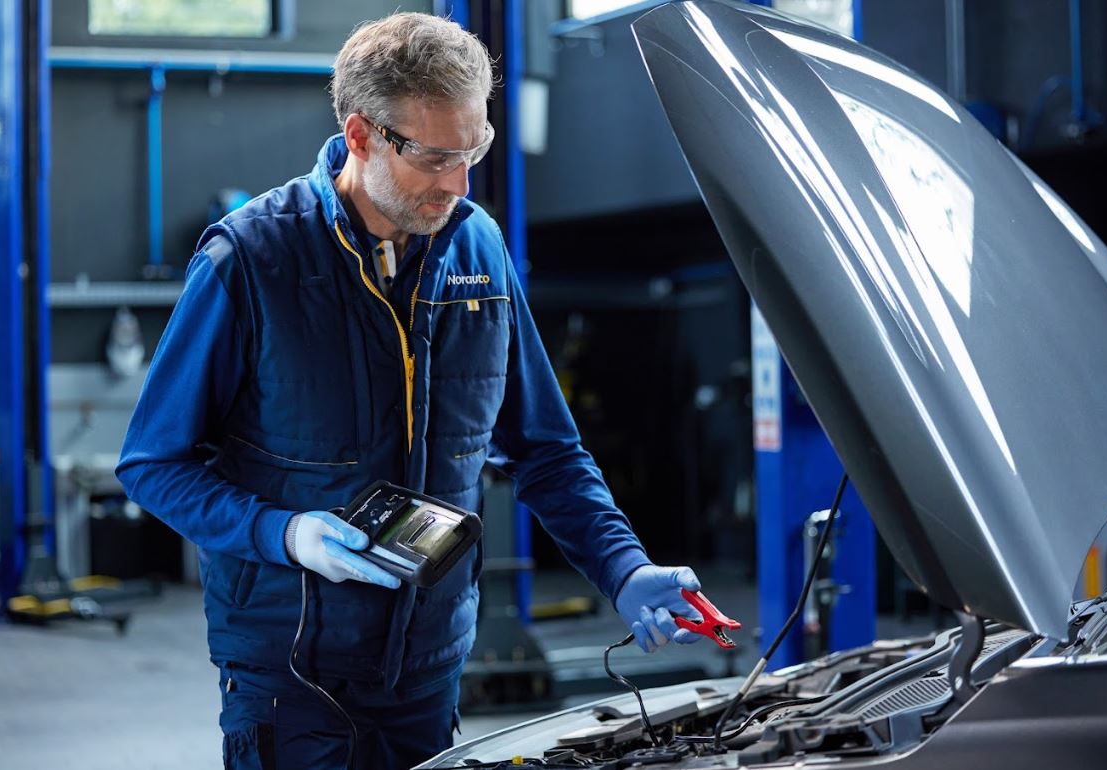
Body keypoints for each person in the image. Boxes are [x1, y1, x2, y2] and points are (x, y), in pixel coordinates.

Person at [117, 12, 705, 770]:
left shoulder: (478, 248)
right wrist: (283, 533)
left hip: (430, 669)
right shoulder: (253, 259)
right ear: (362, 136)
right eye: (435, 158)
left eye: (475, 151)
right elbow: (152, 463)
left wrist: (623, 567)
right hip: (292, 677)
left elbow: (546, 450)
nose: (459, 185)